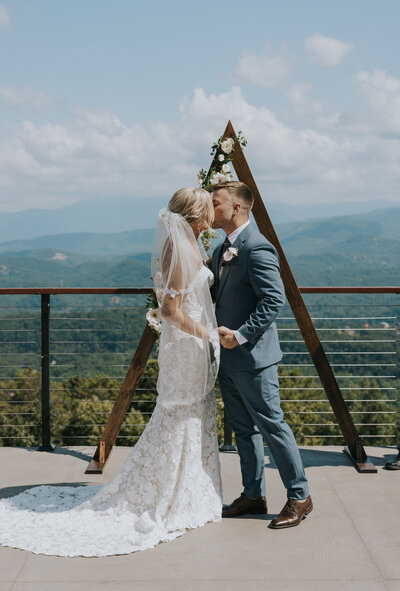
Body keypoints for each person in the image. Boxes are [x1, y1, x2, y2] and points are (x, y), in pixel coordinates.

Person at [0, 187, 222, 557]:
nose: (213, 214)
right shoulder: (183, 251)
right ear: (198, 216)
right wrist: (209, 333)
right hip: (187, 344)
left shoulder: (180, 246)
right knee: (179, 414)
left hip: (186, 344)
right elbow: (169, 311)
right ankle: (170, 492)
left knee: (185, 414)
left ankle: (182, 485)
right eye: (208, 209)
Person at [211, 181, 312, 529]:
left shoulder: (256, 247)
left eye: (216, 203)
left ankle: (300, 496)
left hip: (253, 357)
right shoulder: (220, 247)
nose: (211, 209)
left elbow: (273, 300)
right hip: (227, 357)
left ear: (236, 207)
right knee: (243, 430)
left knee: (272, 426)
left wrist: (239, 336)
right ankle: (253, 494)